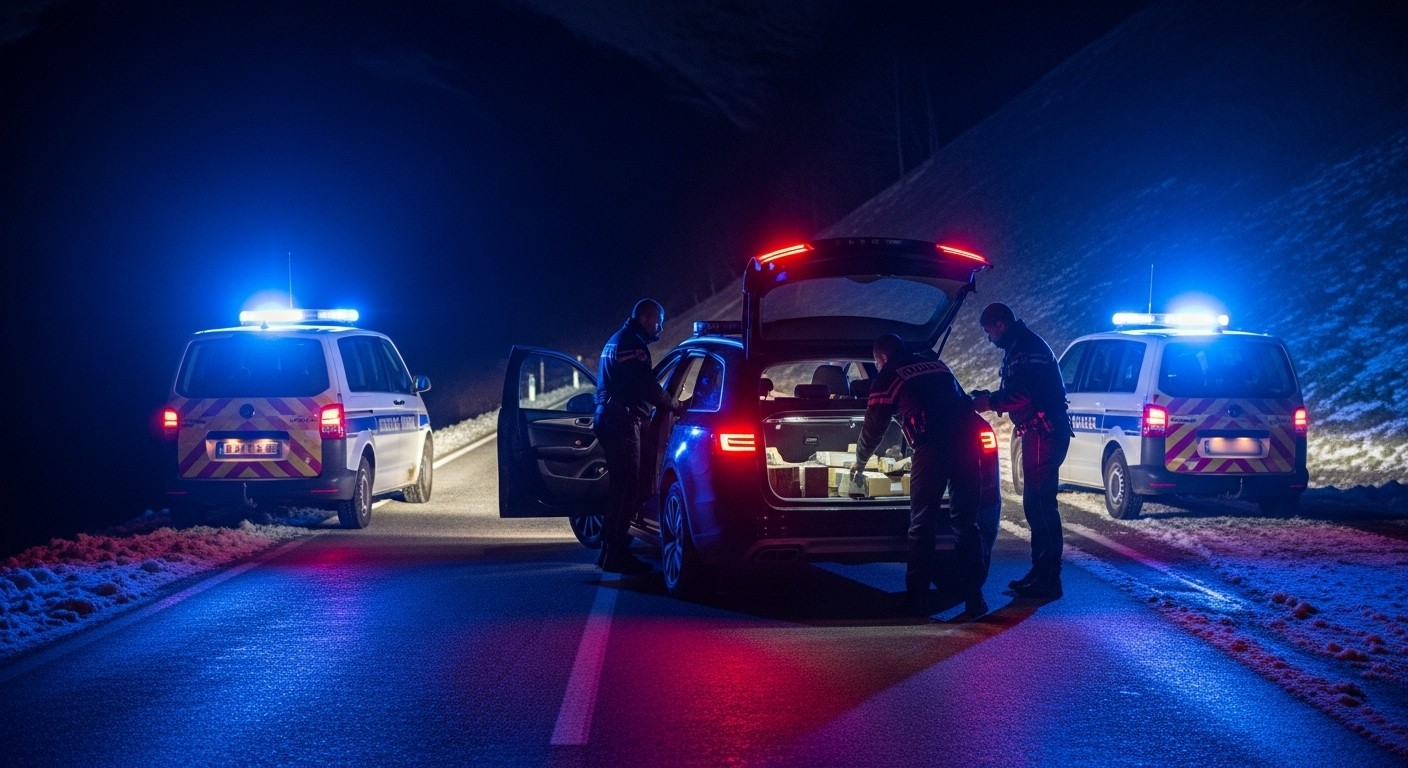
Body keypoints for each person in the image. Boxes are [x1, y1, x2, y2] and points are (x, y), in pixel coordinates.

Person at [852, 334, 988, 619]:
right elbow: (963, 403)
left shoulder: (888, 375)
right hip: (968, 446)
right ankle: (975, 599)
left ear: (883, 358)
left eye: (876, 363)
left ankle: (917, 600)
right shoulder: (937, 366)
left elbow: (873, 427)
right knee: (966, 524)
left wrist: (860, 462)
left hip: (932, 449)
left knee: (922, 525)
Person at [970, 303, 1073, 599]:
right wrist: (991, 397)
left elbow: (1024, 393)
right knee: (1036, 505)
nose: (989, 338)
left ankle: (1049, 578)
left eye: (989, 331)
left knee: (1040, 505)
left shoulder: (1027, 348)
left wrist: (990, 402)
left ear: (1000, 325)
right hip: (1040, 432)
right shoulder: (1020, 347)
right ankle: (1040, 572)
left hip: (1043, 432)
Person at [593, 298, 686, 574]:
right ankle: (617, 554)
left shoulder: (616, 340)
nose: (660, 328)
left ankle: (607, 552)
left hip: (608, 416)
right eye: (658, 322)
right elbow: (646, 386)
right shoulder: (633, 346)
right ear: (645, 319)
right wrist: (674, 404)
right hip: (622, 420)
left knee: (619, 487)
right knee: (627, 488)